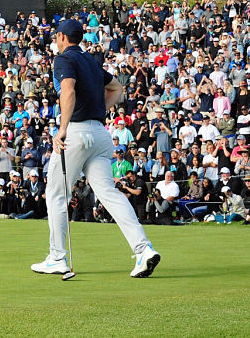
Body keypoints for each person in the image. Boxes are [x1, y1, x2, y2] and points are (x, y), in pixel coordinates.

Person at [32, 19, 161, 278]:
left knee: (56, 195)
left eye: (57, 37)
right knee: (109, 194)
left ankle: (57, 257)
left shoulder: (64, 59)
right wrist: (99, 109)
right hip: (100, 134)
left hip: (77, 132)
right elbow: (117, 88)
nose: (56, 41)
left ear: (62, 38)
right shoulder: (91, 60)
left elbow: (67, 90)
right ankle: (143, 249)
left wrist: (63, 128)